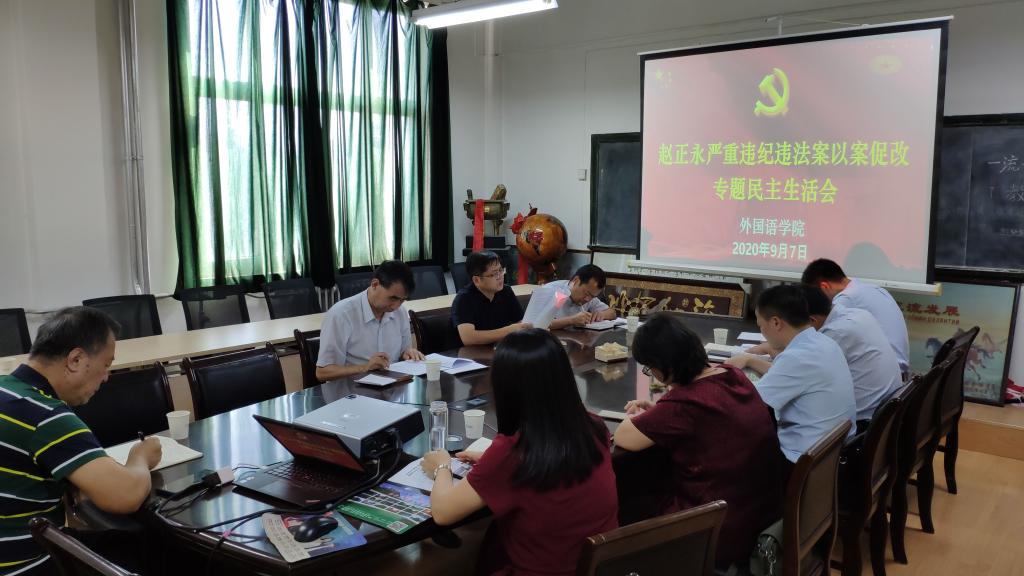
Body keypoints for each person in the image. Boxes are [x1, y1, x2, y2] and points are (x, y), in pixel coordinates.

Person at [421, 329, 617, 575]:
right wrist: (492, 462)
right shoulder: (593, 426)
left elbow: (443, 512)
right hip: (600, 566)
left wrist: (441, 466)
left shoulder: (512, 452)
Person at [614, 313, 783, 569]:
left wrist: (657, 413)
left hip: (718, 529)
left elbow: (624, 436)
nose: (653, 375)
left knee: (627, 499)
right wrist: (660, 413)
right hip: (760, 512)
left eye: (650, 368)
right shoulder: (731, 374)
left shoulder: (687, 402)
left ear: (663, 364)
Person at [0, 307, 162, 575]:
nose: (106, 376)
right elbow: (125, 495)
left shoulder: (6, 389)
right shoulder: (46, 416)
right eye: (106, 365)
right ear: (75, 359)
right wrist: (141, 456)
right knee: (155, 549)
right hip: (26, 564)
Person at [725, 285, 856, 472]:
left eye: (761, 326)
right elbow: (788, 376)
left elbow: (749, 403)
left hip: (801, 462)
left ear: (776, 323)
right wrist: (750, 360)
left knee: (727, 444)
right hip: (831, 454)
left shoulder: (797, 357)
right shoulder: (824, 342)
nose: (762, 332)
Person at [801, 285, 903, 428]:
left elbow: (801, 377)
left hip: (862, 425)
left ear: (812, 320)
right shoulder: (859, 314)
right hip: (884, 416)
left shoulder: (835, 333)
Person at [316, 260, 425, 381]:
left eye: (402, 300)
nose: (396, 306)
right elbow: (322, 373)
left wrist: (408, 354)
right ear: (375, 284)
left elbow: (403, 352)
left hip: (392, 386)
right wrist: (365, 368)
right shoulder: (341, 315)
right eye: (393, 298)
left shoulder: (400, 312)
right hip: (352, 389)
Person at [802, 258, 910, 373]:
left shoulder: (844, 300)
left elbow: (819, 346)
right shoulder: (873, 288)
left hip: (884, 371)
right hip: (897, 371)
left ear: (824, 287)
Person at [450, 251, 531, 346]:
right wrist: (508, 331)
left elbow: (520, 321)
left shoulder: (506, 291)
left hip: (497, 348)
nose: (500, 277)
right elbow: (468, 338)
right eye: (494, 274)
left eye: (501, 270)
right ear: (477, 280)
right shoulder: (464, 299)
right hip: (466, 353)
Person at [532, 264, 617, 330]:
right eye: (586, 293)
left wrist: (601, 315)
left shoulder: (590, 296)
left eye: (592, 296)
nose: (587, 299)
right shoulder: (551, 291)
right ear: (576, 280)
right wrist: (571, 320)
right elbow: (536, 324)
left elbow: (612, 313)